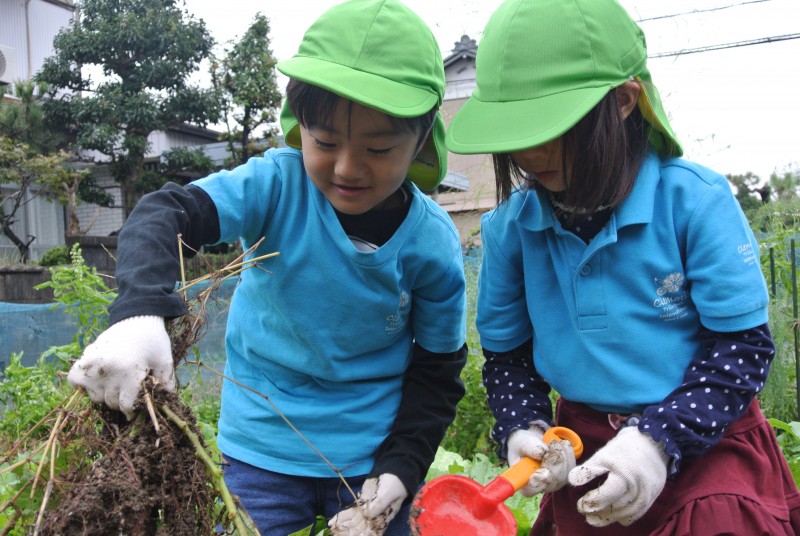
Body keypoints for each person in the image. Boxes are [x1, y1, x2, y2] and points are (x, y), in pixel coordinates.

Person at [66, 1, 468, 535]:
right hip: (261, 452)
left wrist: (403, 467)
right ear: (300, 127)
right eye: (324, 142)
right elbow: (166, 213)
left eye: (377, 148)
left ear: (420, 141)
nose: (347, 167)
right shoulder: (276, 187)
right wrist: (139, 313)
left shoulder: (431, 243)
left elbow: (437, 372)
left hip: (373, 462)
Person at [445, 0, 800, 534]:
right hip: (583, 444)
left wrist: (658, 440)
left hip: (706, 437)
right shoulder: (509, 230)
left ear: (624, 102)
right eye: (513, 129)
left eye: (549, 124)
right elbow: (508, 356)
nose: (527, 149)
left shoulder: (694, 203)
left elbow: (741, 349)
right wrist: (524, 427)